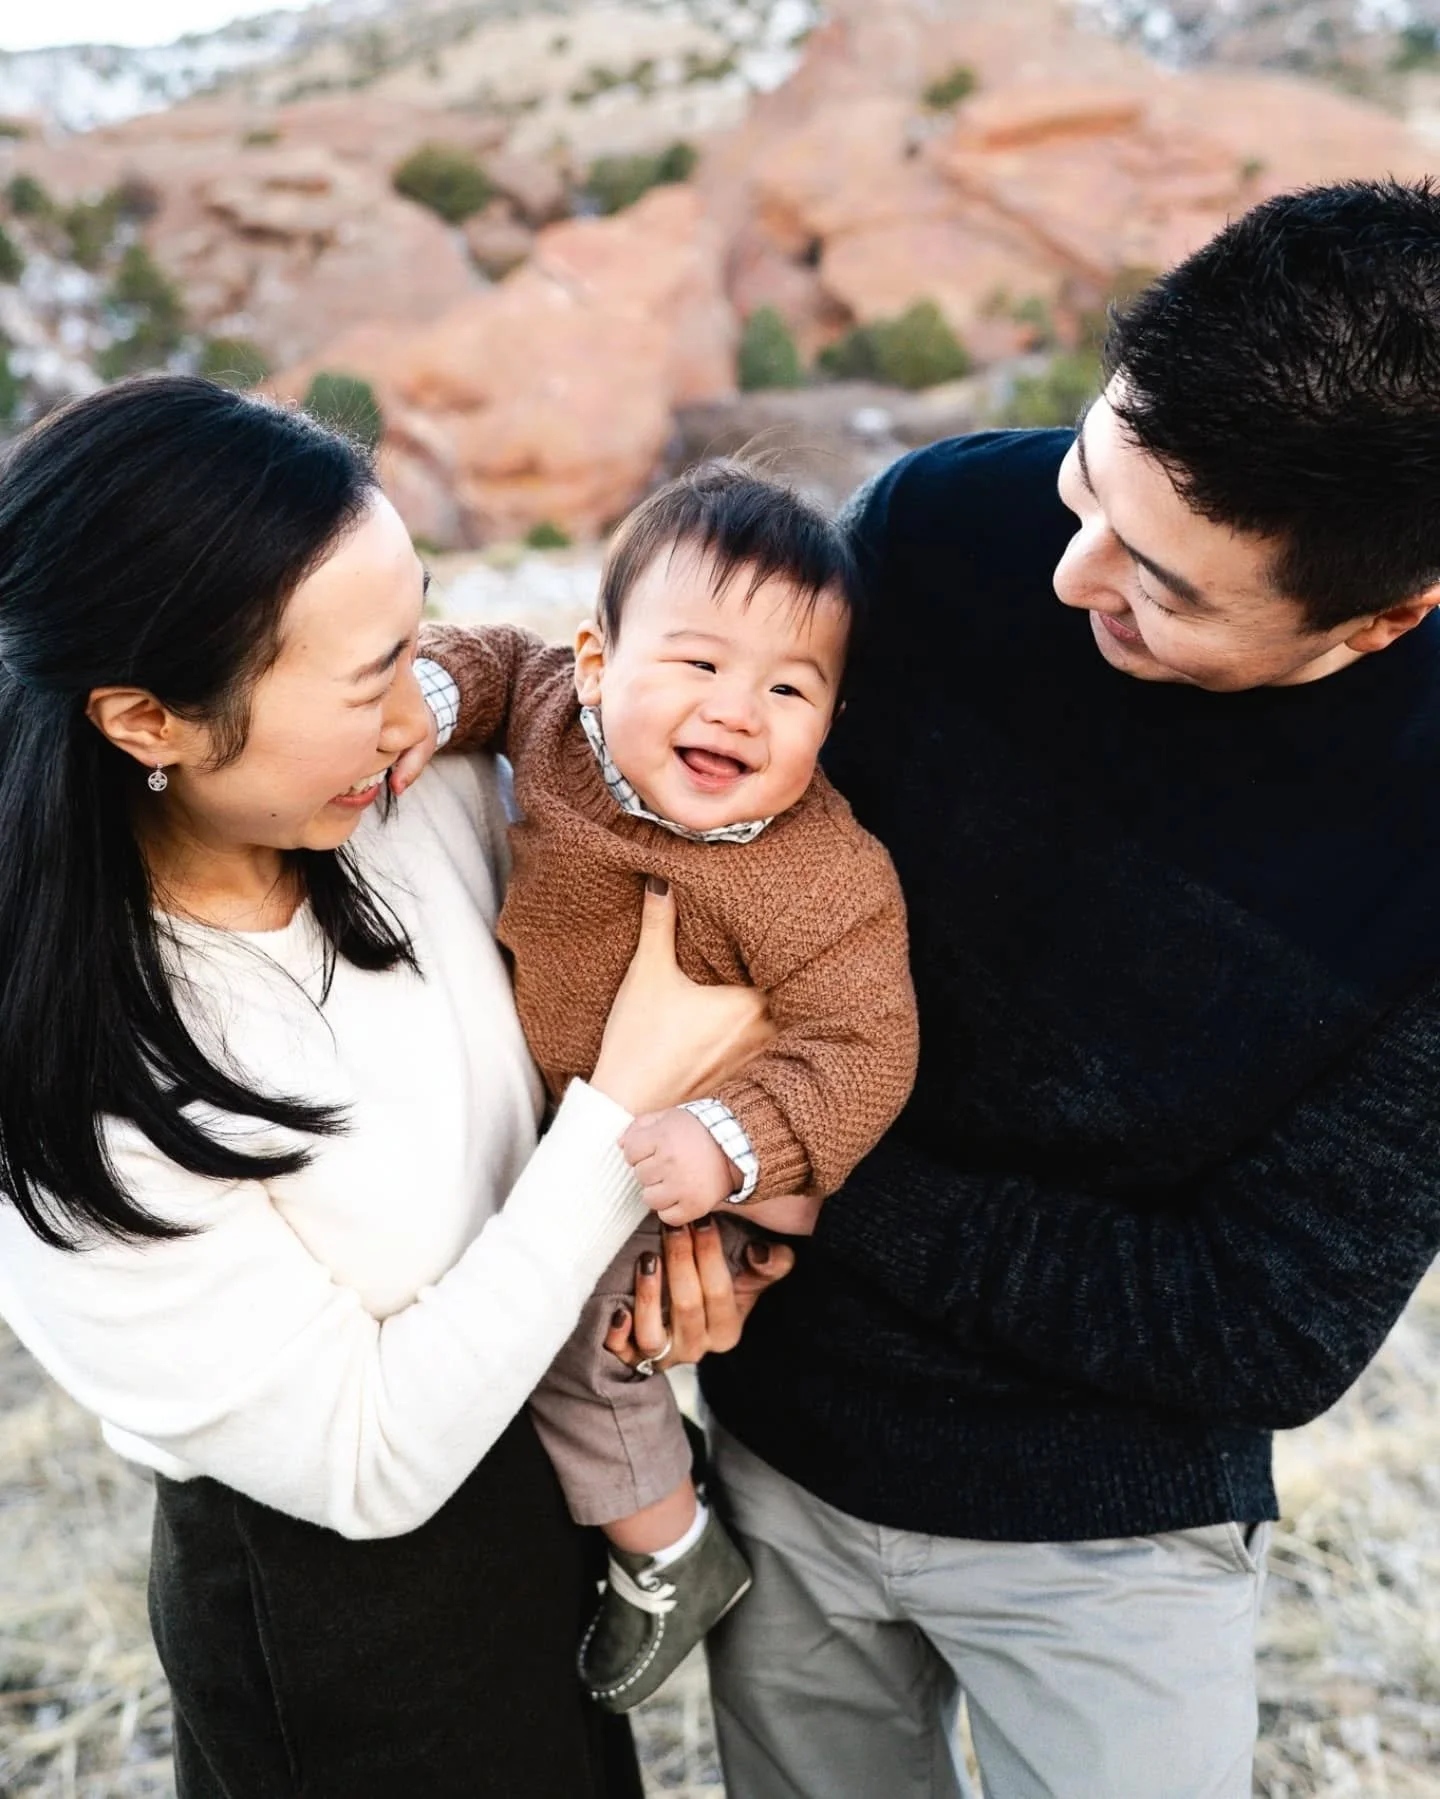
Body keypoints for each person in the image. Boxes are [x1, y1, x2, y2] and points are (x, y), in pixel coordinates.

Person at [700, 177, 1440, 1799]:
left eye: (1165, 586)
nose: (1069, 571)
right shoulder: (947, 527)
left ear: (1382, 618)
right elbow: (724, 876)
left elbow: (1269, 1316)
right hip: (773, 1441)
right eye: (1087, 478)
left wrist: (798, 1169)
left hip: (1110, 1532)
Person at [0, 375, 791, 1799]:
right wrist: (622, 1119)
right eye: (367, 673)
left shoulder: (402, 799)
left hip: (549, 1494)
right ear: (149, 720)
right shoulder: (66, 1079)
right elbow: (368, 1463)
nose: (413, 697)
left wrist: (688, 1251)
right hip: (351, 1629)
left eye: (413, 631)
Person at [415, 460, 918, 1712]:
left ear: (832, 718)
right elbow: (487, 660)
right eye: (697, 664)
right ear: (598, 663)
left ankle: (671, 1555)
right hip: (581, 1116)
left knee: (579, 1345)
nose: (738, 710)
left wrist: (727, 1138)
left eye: (790, 688)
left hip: (707, 1155)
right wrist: (426, 696)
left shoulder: (822, 879)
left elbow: (867, 1048)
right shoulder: (556, 720)